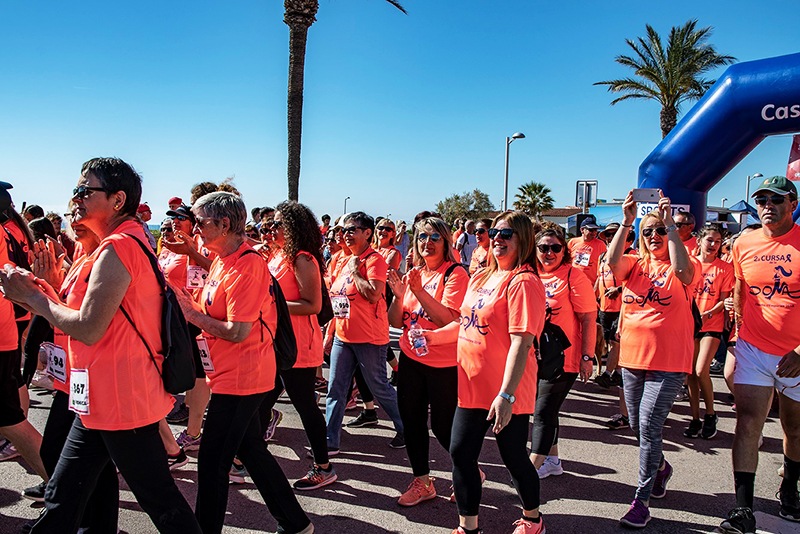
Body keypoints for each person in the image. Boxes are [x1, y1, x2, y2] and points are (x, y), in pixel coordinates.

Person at [0, 158, 201, 533]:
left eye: (83, 190)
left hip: (120, 399)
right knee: (64, 496)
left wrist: (33, 298)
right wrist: (38, 291)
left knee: (161, 502)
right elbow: (83, 315)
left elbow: (89, 328)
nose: (75, 198)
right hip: (99, 395)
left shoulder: (119, 247)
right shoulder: (115, 245)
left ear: (117, 199)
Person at [174, 191, 312, 534]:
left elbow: (237, 331)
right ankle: (296, 523)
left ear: (224, 224)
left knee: (211, 462)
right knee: (251, 451)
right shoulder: (222, 259)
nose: (195, 228)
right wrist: (183, 299)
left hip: (244, 377)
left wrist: (191, 314)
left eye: (200, 221)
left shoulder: (248, 265)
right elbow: (213, 305)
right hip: (228, 374)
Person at [425, 211, 547, 534]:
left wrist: (506, 395)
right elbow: (465, 324)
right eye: (494, 232)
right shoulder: (479, 277)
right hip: (471, 386)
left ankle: (533, 520)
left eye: (507, 234)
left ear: (523, 240)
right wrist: (432, 337)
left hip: (506, 391)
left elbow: (522, 343)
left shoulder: (524, 282)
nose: (497, 239)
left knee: (514, 458)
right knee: (460, 452)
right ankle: (469, 527)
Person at [606, 190, 699, 529]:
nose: (654, 236)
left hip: (670, 360)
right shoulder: (635, 264)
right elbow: (612, 264)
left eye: (660, 230)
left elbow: (683, 270)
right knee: (637, 426)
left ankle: (641, 500)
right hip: (633, 358)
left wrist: (670, 225)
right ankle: (660, 467)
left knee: (648, 425)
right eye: (649, 232)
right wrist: (627, 222)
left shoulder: (685, 263)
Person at [720, 176, 800, 533]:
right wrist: (737, 335)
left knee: (794, 428)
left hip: (796, 352)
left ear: (792, 204)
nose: (768, 205)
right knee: (748, 421)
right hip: (753, 347)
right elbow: (740, 289)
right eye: (762, 199)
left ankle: (789, 487)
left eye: (776, 199)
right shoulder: (744, 243)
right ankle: (742, 510)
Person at [386, 216, 469, 506]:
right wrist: (399, 297)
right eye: (422, 238)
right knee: (412, 422)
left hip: (444, 365)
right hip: (411, 359)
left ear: (446, 242)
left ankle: (469, 472)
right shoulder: (415, 274)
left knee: (444, 428)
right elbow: (395, 321)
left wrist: (419, 291)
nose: (427, 243)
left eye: (435, 237)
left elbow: (447, 318)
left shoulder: (455, 274)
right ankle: (422, 481)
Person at [261, 200, 335, 491]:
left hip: (299, 345)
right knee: (261, 401)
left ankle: (324, 466)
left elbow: (313, 305)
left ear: (293, 228)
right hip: (278, 342)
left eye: (277, 224)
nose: (271, 228)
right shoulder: (279, 256)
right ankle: (243, 458)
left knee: (304, 405)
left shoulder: (303, 258)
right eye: (270, 224)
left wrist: (269, 304)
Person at [326, 211, 405, 452]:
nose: (345, 235)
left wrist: (356, 271)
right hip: (343, 335)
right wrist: (329, 335)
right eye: (343, 230)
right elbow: (336, 300)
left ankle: (407, 428)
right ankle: (329, 442)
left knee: (379, 386)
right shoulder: (342, 260)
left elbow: (372, 294)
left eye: (352, 230)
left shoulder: (374, 261)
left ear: (367, 233)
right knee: (335, 390)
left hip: (369, 338)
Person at [530, 224, 596, 479]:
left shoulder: (573, 276)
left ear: (564, 250)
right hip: (535, 356)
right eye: (543, 248)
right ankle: (553, 460)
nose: (549, 253)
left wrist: (587, 357)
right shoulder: (530, 274)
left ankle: (530, 469)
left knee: (543, 411)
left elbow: (589, 318)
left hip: (563, 357)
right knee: (548, 409)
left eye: (555, 248)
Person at [0, 181, 48, 481]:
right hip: (11, 320)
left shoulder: (8, 232)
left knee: (11, 420)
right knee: (11, 412)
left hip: (6, 324)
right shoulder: (12, 230)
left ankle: (68, 497)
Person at [685, 223, 733, 440]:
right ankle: (695, 418)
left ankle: (711, 413)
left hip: (710, 325)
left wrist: (708, 314)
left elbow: (725, 300)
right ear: (700, 241)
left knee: (700, 369)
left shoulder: (725, 268)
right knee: (690, 375)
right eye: (709, 240)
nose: (713, 245)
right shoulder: (690, 264)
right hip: (688, 325)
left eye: (718, 241)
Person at [568, 214, 606, 285]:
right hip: (573, 283)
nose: (594, 233)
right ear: (582, 230)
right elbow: (567, 261)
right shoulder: (572, 242)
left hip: (591, 284)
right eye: (591, 230)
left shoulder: (601, 244)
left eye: (596, 230)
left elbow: (603, 266)